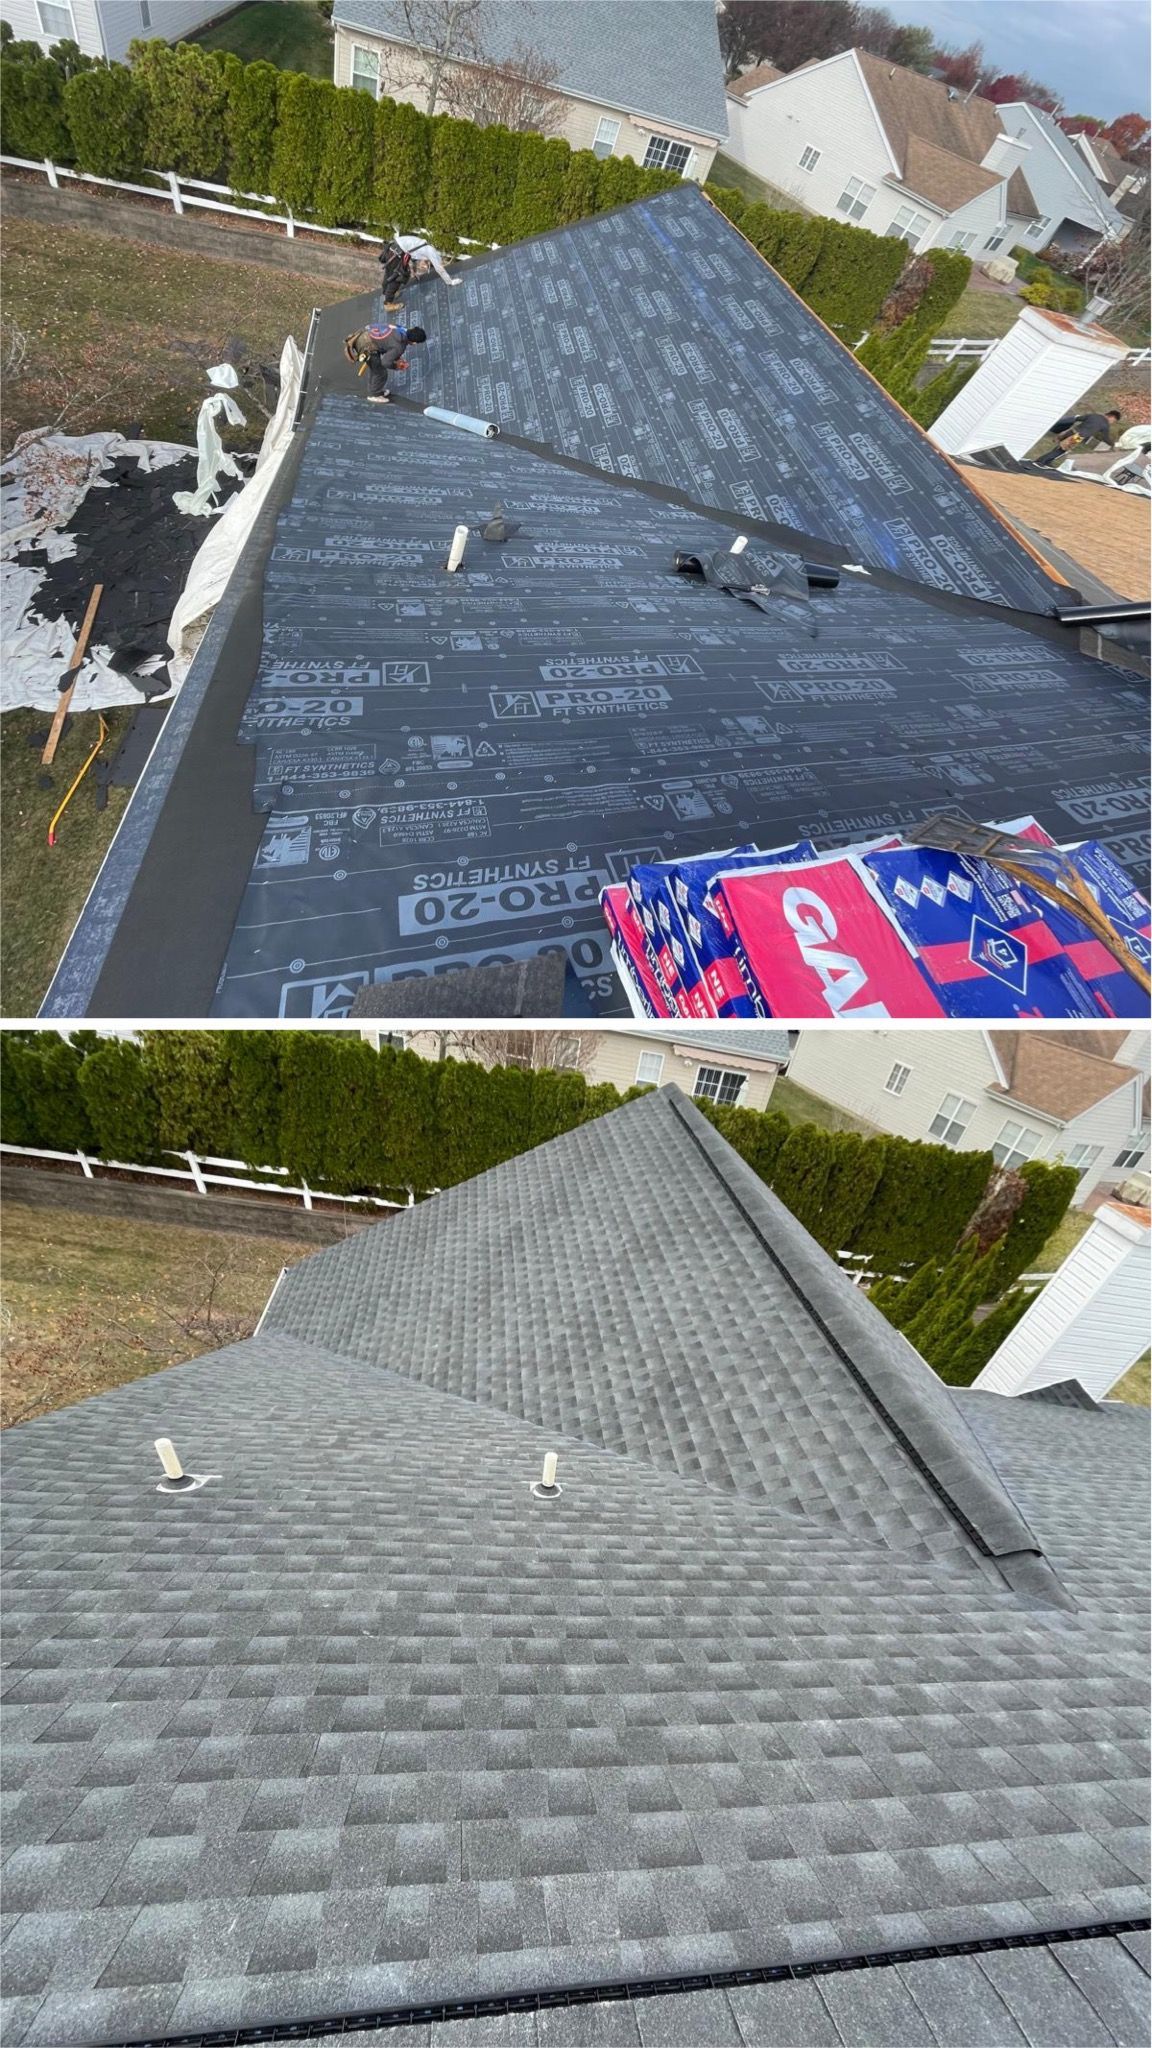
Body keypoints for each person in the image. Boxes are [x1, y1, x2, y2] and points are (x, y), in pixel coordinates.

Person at [343, 323, 427, 403]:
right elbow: (386, 362)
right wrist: (396, 366)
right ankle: (375, 395)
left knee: (375, 368)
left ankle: (374, 389)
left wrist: (397, 358)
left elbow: (389, 344)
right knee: (381, 372)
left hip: (363, 336)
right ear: (414, 343)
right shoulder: (400, 346)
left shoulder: (398, 328)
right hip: (367, 347)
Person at [378, 233, 462, 303]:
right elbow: (440, 269)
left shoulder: (423, 245)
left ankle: (386, 292)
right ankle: (388, 302)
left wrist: (415, 273)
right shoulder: (431, 253)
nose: (425, 266)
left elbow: (412, 257)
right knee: (398, 277)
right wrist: (450, 282)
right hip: (397, 253)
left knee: (389, 273)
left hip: (393, 248)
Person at [1035, 407, 1122, 466]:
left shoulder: (1093, 415)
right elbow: (1105, 437)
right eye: (1113, 421)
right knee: (1062, 450)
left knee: (1059, 446)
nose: (1112, 422)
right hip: (1078, 436)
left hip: (1071, 431)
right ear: (1111, 417)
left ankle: (1048, 461)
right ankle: (1041, 461)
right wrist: (1112, 444)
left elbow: (1078, 418)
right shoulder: (1105, 424)